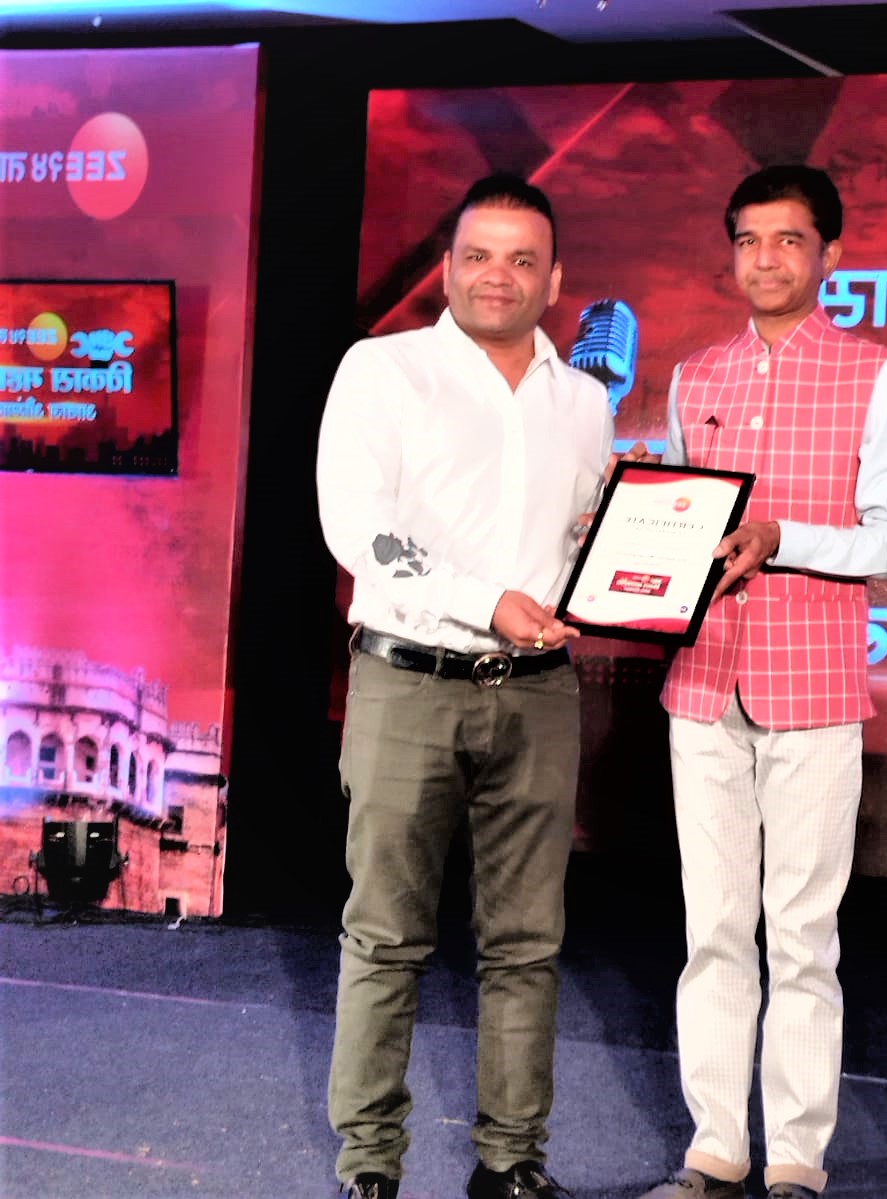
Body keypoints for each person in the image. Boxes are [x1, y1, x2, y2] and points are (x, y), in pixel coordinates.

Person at [316, 173, 613, 1199]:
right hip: (409, 683)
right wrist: (487, 601)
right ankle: (369, 1164)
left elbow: (583, 541)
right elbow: (361, 530)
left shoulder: (584, 401)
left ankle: (511, 1160)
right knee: (385, 935)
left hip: (540, 694)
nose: (499, 276)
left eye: (523, 260)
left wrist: (645, 558)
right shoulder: (384, 369)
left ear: (554, 279)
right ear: (447, 267)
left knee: (527, 943)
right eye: (479, 255)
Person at [640, 164, 887, 1199]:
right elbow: (677, 522)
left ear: (831, 254)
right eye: (749, 239)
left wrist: (780, 536)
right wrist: (623, 548)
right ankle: (715, 1146)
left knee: (803, 936)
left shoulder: (877, 375)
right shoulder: (696, 374)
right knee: (712, 927)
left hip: (813, 687)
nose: (765, 259)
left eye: (789, 239)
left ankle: (797, 1157)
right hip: (702, 684)